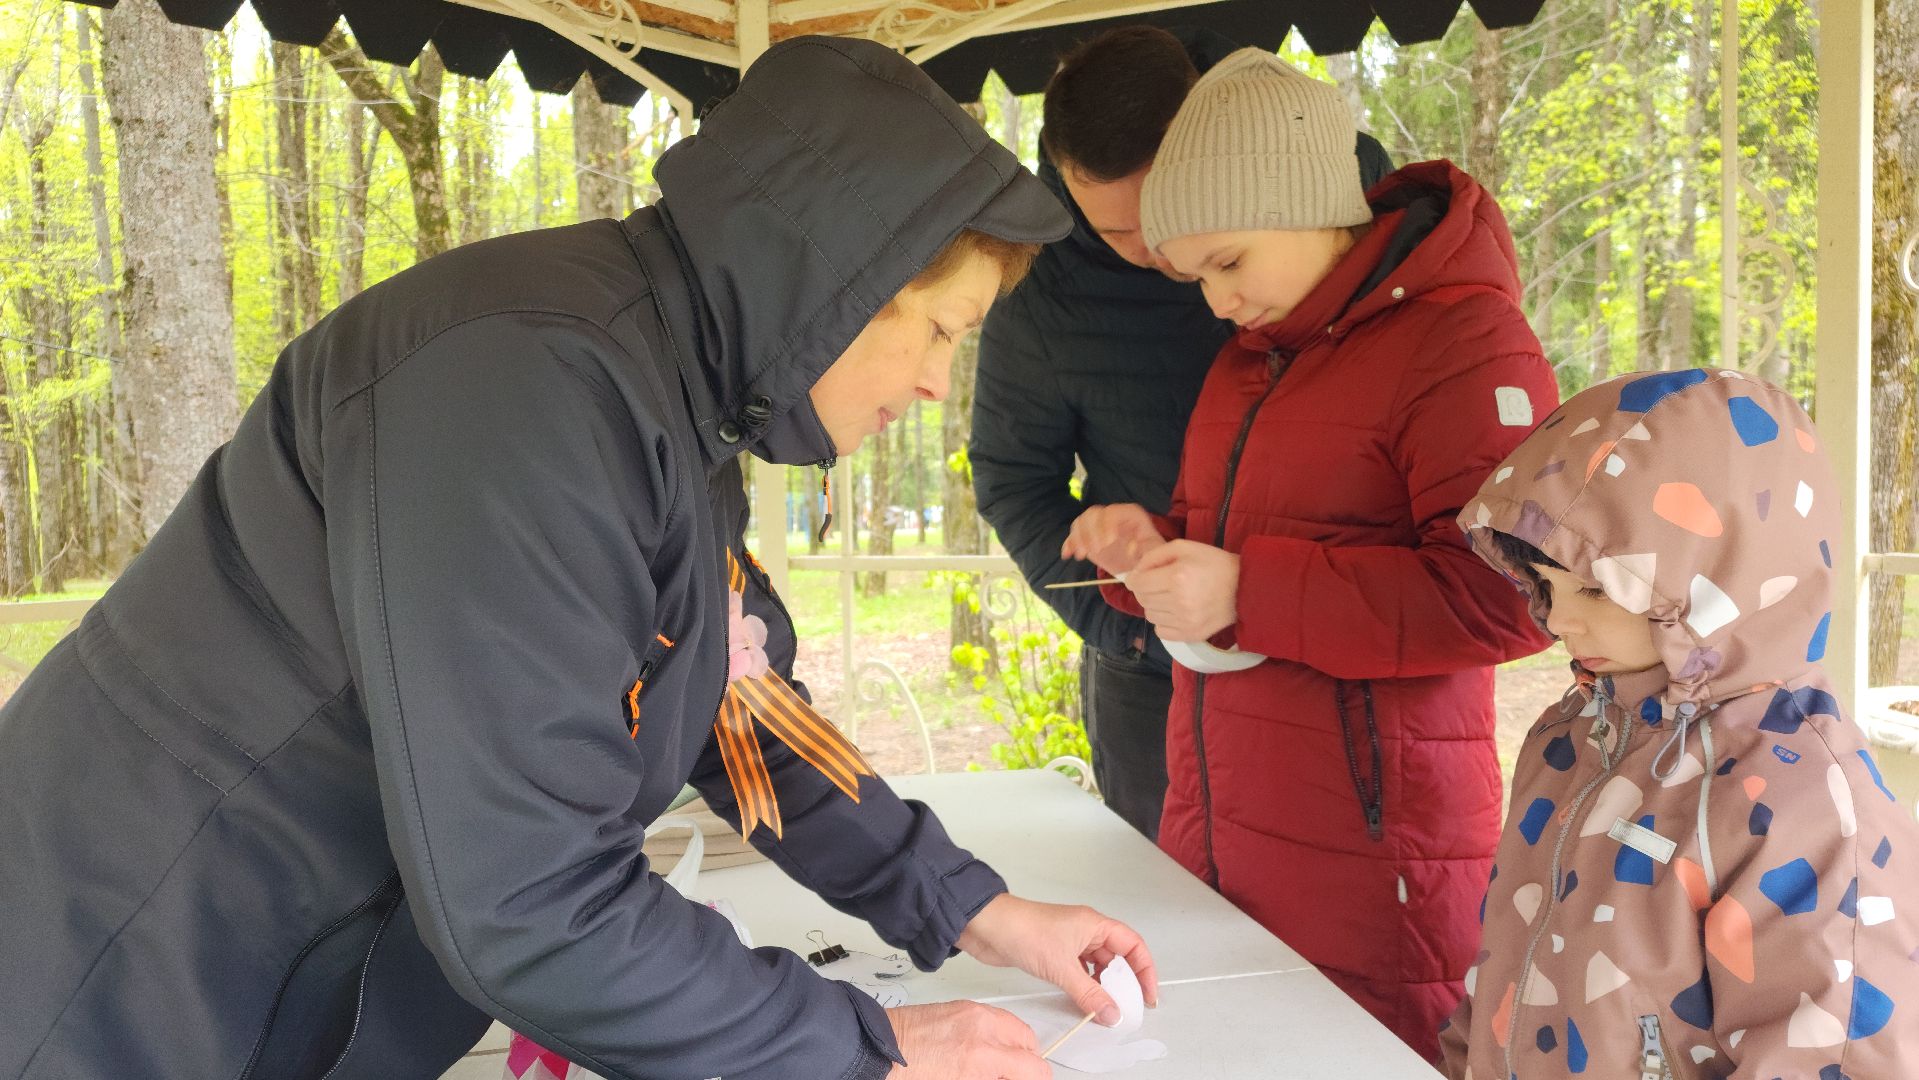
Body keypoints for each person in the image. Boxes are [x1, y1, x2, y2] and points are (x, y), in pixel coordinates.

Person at [0, 38, 1156, 1080]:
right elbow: (528, 900)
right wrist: (861, 1043)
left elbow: (739, 717)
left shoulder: (670, 404)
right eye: (940, 331)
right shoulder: (522, 390)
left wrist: (982, 912)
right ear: (837, 277)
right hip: (125, 979)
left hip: (280, 972)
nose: (931, 386)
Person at [1062, 49, 1558, 1059]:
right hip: (1223, 830)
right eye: (1194, 272)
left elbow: (1507, 599)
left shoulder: (1464, 341)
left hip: (1376, 867)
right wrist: (1146, 556)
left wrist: (1246, 591)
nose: (1211, 300)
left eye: (1228, 261)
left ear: (1306, 207)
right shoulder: (1253, 360)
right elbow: (1229, 555)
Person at [970, 25, 1392, 840]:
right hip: (1155, 673)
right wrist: (1127, 626)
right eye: (1115, 234)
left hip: (1348, 644)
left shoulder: (1338, 184)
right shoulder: (1040, 275)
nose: (1162, 257)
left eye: (1166, 219)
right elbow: (1009, 474)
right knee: (1169, 922)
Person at [1443, 370, 1919, 1078]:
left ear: (1720, 574)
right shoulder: (1568, 737)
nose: (1561, 620)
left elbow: (1834, 1053)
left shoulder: (1804, 798)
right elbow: (1511, 948)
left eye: (1598, 589)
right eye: (1544, 585)